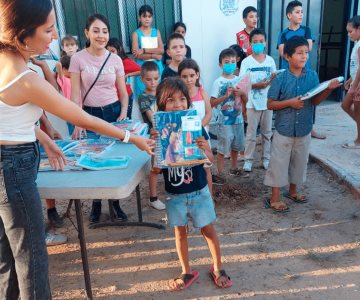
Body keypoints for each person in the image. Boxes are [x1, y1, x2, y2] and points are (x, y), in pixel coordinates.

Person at [0, 1, 153, 299]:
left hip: (9, 161)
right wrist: (129, 137)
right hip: (13, 169)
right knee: (31, 257)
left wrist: (44, 140)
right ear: (21, 35)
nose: (55, 36)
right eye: (48, 29)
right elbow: (81, 116)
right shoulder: (26, 79)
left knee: (6, 256)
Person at [150, 77, 232, 290]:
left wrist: (205, 147)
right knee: (180, 233)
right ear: (161, 105)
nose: (177, 104)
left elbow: (209, 162)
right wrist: (155, 144)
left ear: (188, 102)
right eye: (170, 100)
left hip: (198, 191)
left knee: (208, 230)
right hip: (174, 195)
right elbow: (156, 169)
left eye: (181, 99)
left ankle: (218, 267)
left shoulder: (197, 127)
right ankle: (186, 271)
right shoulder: (160, 132)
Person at [264, 36, 342, 212]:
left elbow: (314, 101)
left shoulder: (312, 75)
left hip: (304, 129)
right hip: (283, 130)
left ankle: (292, 191)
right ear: (287, 56)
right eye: (299, 53)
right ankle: (275, 197)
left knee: (299, 163)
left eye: (306, 52)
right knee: (279, 164)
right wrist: (290, 103)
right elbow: (270, 104)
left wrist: (329, 89)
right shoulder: (280, 78)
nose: (304, 56)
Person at [70, 14, 131, 223]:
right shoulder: (77, 58)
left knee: (114, 157)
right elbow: (75, 95)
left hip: (113, 113)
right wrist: (78, 121)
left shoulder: (115, 59)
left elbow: (123, 91)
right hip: (89, 115)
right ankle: (96, 203)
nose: (101, 35)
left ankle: (115, 204)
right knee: (93, 159)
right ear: (87, 33)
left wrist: (123, 112)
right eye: (96, 31)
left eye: (105, 31)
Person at [277, 0, 324, 140]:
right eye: (297, 12)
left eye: (302, 12)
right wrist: (297, 46)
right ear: (289, 15)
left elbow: (308, 47)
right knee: (290, 99)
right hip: (289, 73)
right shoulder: (283, 33)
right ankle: (286, 126)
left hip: (305, 72)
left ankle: (310, 128)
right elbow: (281, 52)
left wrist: (293, 48)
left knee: (309, 98)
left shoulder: (306, 30)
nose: (301, 14)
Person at [240, 29, 277, 172]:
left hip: (267, 103)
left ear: (265, 43)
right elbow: (242, 84)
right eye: (255, 42)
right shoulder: (246, 62)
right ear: (250, 43)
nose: (258, 44)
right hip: (251, 103)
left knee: (267, 134)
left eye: (261, 41)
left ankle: (266, 159)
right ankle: (248, 160)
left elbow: (274, 79)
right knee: (251, 134)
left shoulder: (270, 61)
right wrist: (256, 85)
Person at [210, 48, 248, 185]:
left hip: (238, 119)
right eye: (227, 62)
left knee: (237, 145)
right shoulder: (218, 82)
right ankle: (220, 172)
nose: (230, 64)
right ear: (220, 64)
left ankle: (233, 168)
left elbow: (246, 99)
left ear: (236, 63)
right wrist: (225, 96)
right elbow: (212, 102)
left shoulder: (239, 80)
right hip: (224, 121)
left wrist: (241, 94)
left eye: (232, 61)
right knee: (223, 146)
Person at [178, 58, 213, 194]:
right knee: (189, 168)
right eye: (184, 76)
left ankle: (209, 198)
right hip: (185, 139)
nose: (189, 80)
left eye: (192, 76)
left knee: (205, 167)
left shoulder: (202, 92)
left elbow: (209, 113)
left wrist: (198, 128)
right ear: (179, 77)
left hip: (201, 137)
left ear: (197, 75)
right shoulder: (179, 96)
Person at [138, 61, 165, 210]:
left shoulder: (163, 93)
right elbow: (153, 118)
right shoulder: (143, 98)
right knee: (155, 168)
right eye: (149, 79)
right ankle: (153, 197)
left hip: (168, 134)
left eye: (155, 78)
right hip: (154, 136)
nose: (153, 82)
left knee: (169, 164)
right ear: (142, 79)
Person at [132, 4, 164, 97]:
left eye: (149, 16)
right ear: (139, 17)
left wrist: (144, 50)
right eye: (144, 16)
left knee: (159, 95)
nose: (147, 19)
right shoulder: (136, 33)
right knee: (144, 96)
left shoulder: (156, 32)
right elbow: (136, 55)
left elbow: (161, 50)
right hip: (143, 68)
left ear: (152, 18)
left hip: (157, 68)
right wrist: (154, 55)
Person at [107, 37, 141, 119]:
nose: (110, 54)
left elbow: (142, 70)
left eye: (112, 51)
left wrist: (128, 75)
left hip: (126, 95)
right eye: (107, 52)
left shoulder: (124, 62)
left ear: (119, 50)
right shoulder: (105, 63)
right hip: (113, 98)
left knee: (126, 120)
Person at [341, 16, 360, 149]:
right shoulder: (357, 44)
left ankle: (359, 141)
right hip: (355, 82)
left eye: (350, 31)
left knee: (358, 113)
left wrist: (354, 86)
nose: (348, 34)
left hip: (358, 85)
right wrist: (350, 79)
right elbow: (356, 66)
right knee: (345, 105)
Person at [56, 54, 74, 135]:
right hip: (70, 110)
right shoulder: (63, 79)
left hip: (81, 108)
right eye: (71, 70)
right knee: (73, 131)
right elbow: (58, 66)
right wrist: (58, 60)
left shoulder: (75, 78)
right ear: (64, 69)